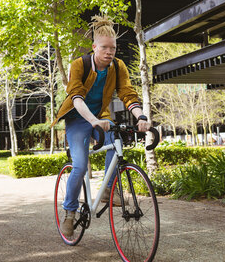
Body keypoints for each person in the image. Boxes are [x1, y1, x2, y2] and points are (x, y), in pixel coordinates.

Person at [51, 15, 151, 237]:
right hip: (78, 118)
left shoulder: (118, 66)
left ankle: (107, 190)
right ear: (94, 47)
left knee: (116, 142)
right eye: (104, 47)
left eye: (113, 48)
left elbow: (127, 93)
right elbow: (76, 97)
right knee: (79, 165)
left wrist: (141, 116)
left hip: (102, 117)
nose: (109, 52)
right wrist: (93, 120)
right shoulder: (79, 65)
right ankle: (69, 212)